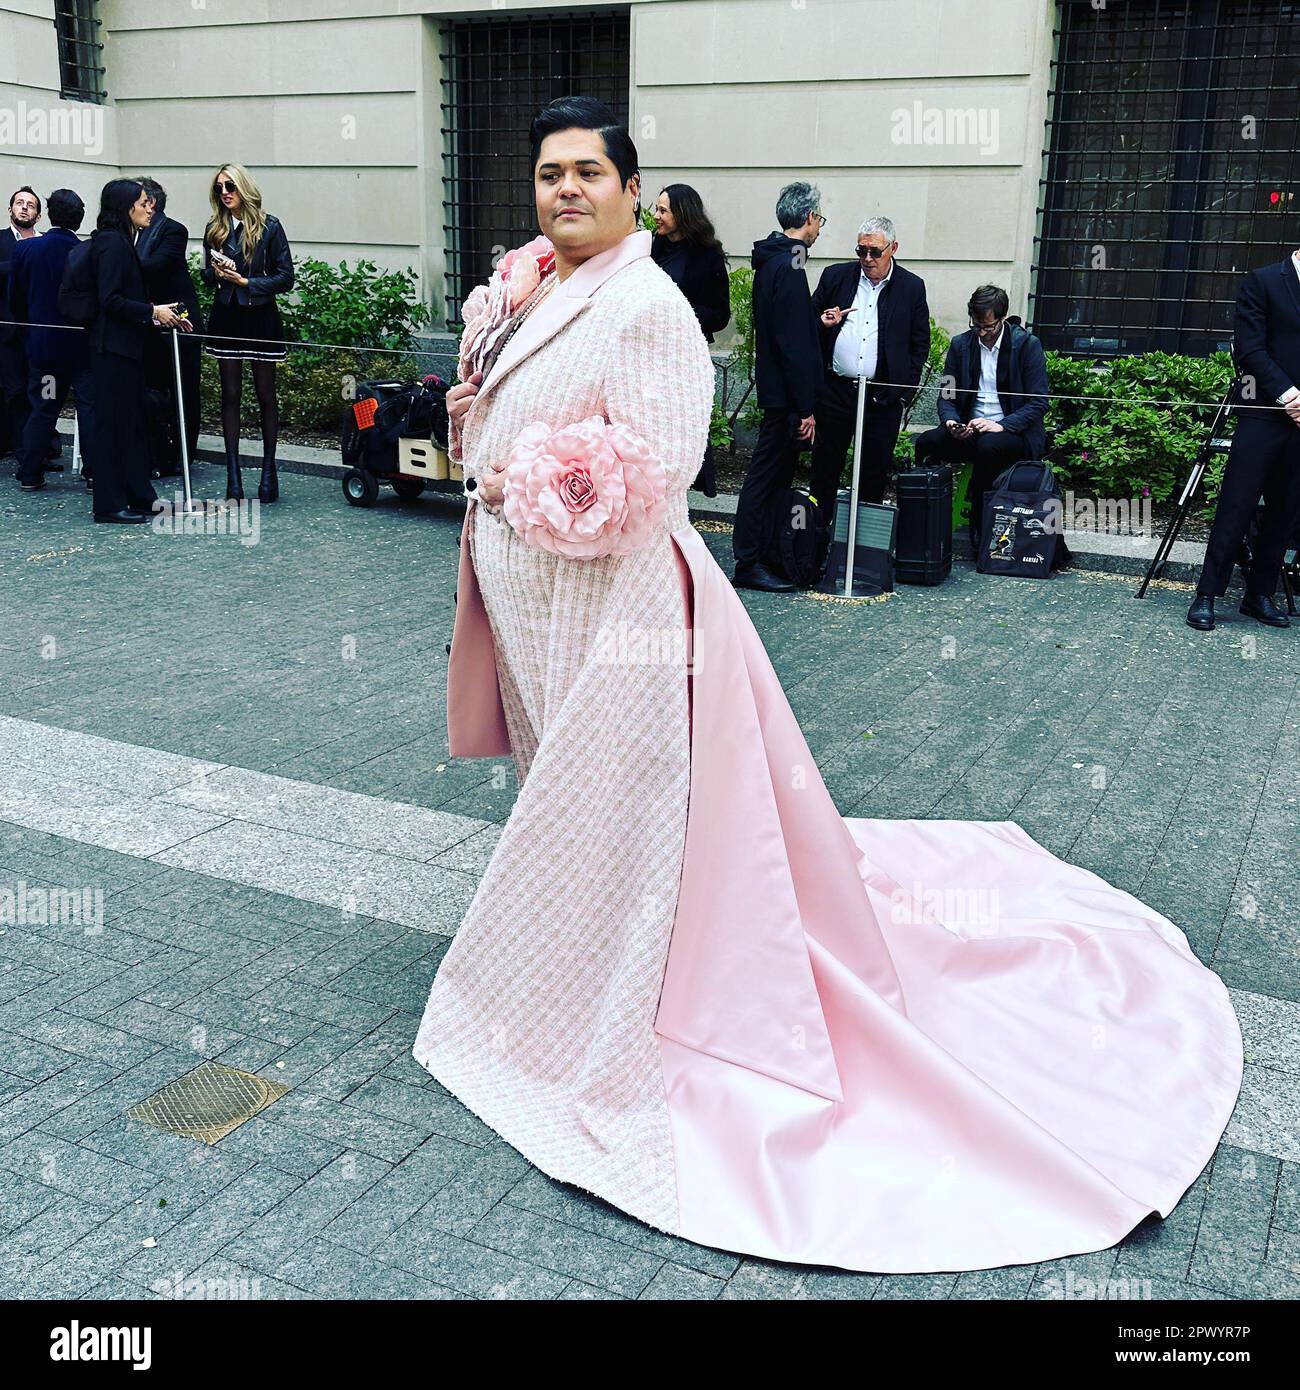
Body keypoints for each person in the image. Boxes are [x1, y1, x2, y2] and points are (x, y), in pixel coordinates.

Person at [414, 95, 1241, 1276]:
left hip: (615, 613)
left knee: (623, 813)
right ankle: (584, 953)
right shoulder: (527, 286)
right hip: (525, 595)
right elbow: (499, 413)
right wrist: (476, 429)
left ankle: (617, 995)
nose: (563, 190)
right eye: (548, 172)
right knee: (560, 793)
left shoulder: (644, 304)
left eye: (586, 171)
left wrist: (518, 485)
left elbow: (651, 474)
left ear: (631, 190)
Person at [1187, 249, 1300, 631]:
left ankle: (1259, 595)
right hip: (1262, 413)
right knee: (1237, 504)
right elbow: (1250, 350)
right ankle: (1207, 594)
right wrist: (1290, 397)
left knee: (1285, 511)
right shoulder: (1264, 280)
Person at [915, 284, 1069, 564]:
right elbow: (946, 396)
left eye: (988, 327)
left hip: (1013, 433)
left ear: (1001, 318)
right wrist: (951, 422)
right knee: (927, 442)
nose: (982, 333)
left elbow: (1039, 402)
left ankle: (979, 525)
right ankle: (925, 521)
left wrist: (1003, 424)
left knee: (989, 447)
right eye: (976, 326)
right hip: (969, 429)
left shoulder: (1026, 345)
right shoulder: (961, 344)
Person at [731, 181, 824, 592]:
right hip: (786, 399)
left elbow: (787, 328)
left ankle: (765, 551)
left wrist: (814, 322)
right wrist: (806, 408)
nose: (820, 227)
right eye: (820, 219)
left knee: (773, 475)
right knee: (765, 476)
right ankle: (749, 559)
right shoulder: (790, 264)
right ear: (808, 218)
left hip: (780, 393)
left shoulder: (775, 261)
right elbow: (792, 345)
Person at [808, 216, 930, 530]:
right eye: (861, 250)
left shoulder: (911, 287)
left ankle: (861, 549)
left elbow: (919, 344)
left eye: (874, 251)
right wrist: (823, 323)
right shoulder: (836, 276)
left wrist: (903, 392)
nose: (867, 259)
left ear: (893, 248)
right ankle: (815, 543)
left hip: (881, 396)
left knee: (873, 472)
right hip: (835, 391)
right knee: (825, 468)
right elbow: (805, 327)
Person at [86, 178, 191, 523]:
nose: (150, 207)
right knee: (114, 427)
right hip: (113, 349)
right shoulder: (114, 244)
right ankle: (109, 504)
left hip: (124, 348)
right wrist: (151, 312)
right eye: (144, 202)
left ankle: (140, 496)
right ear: (126, 206)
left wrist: (159, 314)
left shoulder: (119, 241)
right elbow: (110, 299)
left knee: (131, 425)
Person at [201, 163, 294, 503]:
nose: (225, 193)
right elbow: (205, 277)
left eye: (230, 186)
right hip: (226, 316)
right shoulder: (215, 228)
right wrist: (215, 270)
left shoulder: (270, 227)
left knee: (266, 395)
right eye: (219, 188)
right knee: (230, 395)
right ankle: (234, 477)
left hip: (260, 317)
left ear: (244, 189)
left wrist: (246, 281)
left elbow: (286, 277)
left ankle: (270, 471)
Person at [9, 189, 94, 493]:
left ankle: (31, 471)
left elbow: (15, 299)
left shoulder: (28, 250)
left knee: (44, 406)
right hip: (81, 349)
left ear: (49, 213)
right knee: (87, 407)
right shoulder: (86, 251)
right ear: (79, 217)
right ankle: (94, 473)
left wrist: (30, 330)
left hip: (44, 348)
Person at [651, 183, 730, 497]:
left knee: (680, 426)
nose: (656, 216)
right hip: (650, 352)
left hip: (683, 356)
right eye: (657, 209)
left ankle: (682, 488)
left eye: (663, 210)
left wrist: (679, 312)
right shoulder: (651, 247)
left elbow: (719, 314)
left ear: (682, 214)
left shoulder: (707, 254)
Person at [135, 176, 203, 478]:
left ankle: (181, 457)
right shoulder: (132, 232)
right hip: (149, 323)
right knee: (152, 391)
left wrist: (116, 263)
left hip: (179, 324)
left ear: (150, 202)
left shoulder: (173, 230)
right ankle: (155, 453)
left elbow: (156, 266)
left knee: (184, 392)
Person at [1, 186, 42, 462]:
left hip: (40, 330)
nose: (24, 207)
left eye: (30, 205)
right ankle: (19, 448)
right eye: (19, 203)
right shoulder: (2, 240)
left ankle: (38, 448)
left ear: (38, 215)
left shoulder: (45, 241)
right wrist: (21, 262)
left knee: (40, 391)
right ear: (10, 210)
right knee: (13, 390)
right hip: (7, 328)